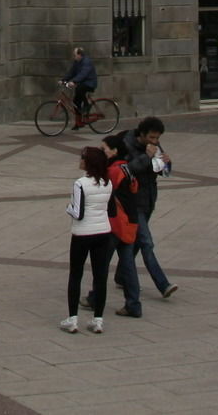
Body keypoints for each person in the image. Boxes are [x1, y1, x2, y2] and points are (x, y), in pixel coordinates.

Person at [111, 116, 176, 316]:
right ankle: (162, 283)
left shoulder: (154, 145)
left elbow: (161, 170)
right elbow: (127, 170)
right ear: (142, 135)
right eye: (152, 137)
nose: (155, 142)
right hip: (132, 203)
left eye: (157, 138)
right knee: (146, 242)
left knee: (135, 243)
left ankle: (122, 276)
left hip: (148, 201)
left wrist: (167, 163)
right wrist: (146, 157)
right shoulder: (126, 144)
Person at [61, 145, 114, 334]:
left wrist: (68, 207)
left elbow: (78, 213)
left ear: (89, 162)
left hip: (82, 234)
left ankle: (72, 318)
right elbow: (111, 208)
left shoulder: (80, 183)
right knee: (100, 276)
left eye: (82, 158)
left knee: (76, 274)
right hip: (103, 232)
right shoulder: (107, 183)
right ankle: (98, 319)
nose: (80, 160)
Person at [60, 46, 97, 120]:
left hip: (90, 83)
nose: (74, 57)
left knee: (79, 89)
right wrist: (63, 80)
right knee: (75, 102)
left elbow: (83, 74)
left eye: (75, 55)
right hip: (82, 83)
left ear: (80, 55)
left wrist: (74, 81)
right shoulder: (77, 62)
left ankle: (87, 105)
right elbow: (71, 72)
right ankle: (79, 122)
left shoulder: (87, 62)